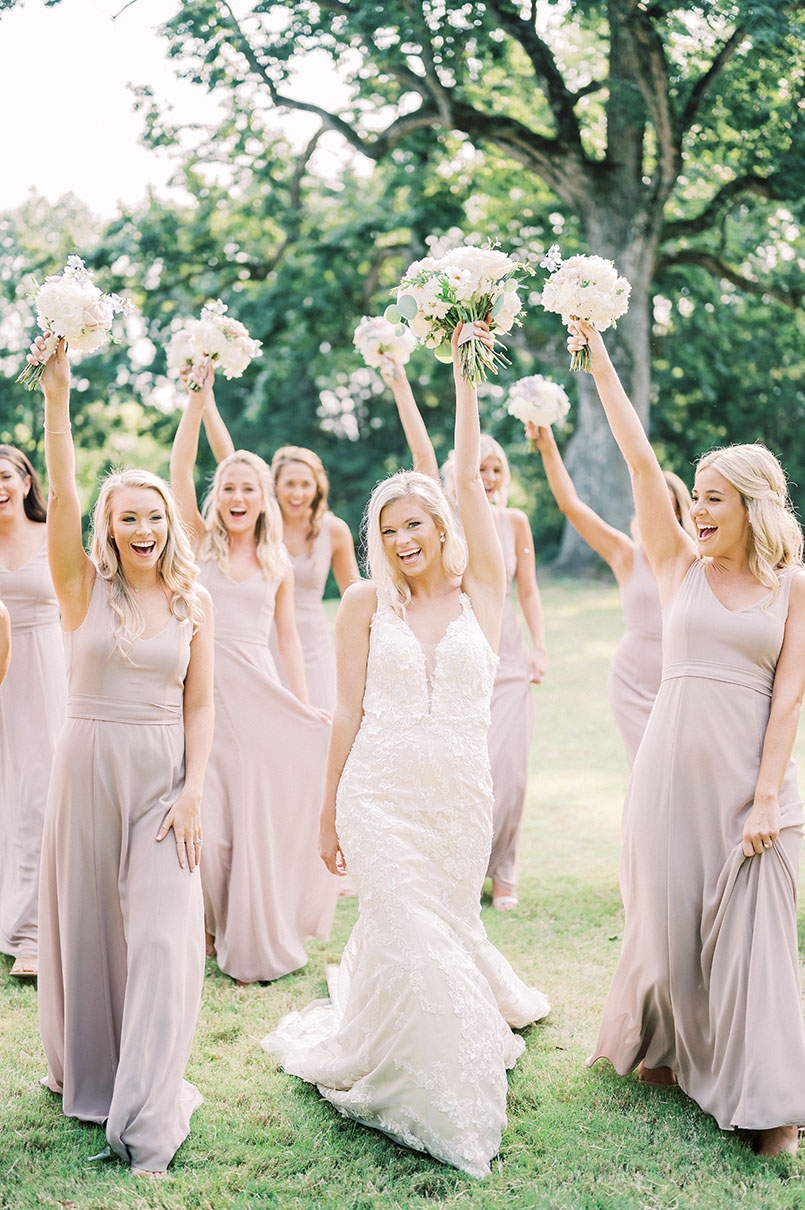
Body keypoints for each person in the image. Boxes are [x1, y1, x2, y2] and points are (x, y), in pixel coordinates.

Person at [262, 322, 550, 1178]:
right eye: (387, 528)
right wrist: (326, 814)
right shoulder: (360, 603)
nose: (400, 539)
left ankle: (401, 1039)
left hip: (458, 797)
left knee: (443, 934)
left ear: (443, 524)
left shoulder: (483, 591)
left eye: (414, 522)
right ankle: (433, 1096)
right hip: (378, 792)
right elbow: (345, 714)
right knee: (410, 936)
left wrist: (464, 372)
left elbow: (464, 474)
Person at [572, 321, 805, 1158]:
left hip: (755, 782)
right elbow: (640, 461)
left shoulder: (793, 587)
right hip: (668, 776)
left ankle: (768, 1103)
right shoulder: (675, 565)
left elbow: (787, 700)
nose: (695, 509)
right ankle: (665, 1046)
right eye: (694, 497)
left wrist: (768, 795)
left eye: (712, 497)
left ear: (750, 506)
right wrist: (596, 352)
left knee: (756, 941)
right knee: (668, 939)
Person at [32, 336, 215, 1178]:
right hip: (87, 760)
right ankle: (92, 1074)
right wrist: (58, 399)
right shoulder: (82, 586)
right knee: (89, 926)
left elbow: (200, 701)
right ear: (109, 528)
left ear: (169, 523)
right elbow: (61, 490)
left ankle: (146, 1108)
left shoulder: (190, 598)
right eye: (127, 515)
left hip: (162, 781)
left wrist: (193, 792)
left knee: (165, 938)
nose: (142, 526)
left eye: (154, 514)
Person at [170, 366, 337, 985]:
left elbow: (289, 641)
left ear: (261, 498)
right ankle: (209, 923)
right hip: (205, 694)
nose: (238, 498)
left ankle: (243, 929)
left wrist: (302, 704)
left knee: (253, 824)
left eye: (249, 489)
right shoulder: (194, 541)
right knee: (207, 828)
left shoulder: (277, 562)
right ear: (220, 496)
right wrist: (196, 400)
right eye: (230, 488)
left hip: (261, 697)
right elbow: (180, 471)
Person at [381, 356, 545, 910]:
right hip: (448, 672)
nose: (483, 478)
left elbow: (528, 592)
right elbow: (431, 460)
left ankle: (504, 869)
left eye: (496, 469)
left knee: (510, 775)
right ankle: (458, 872)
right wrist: (405, 379)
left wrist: (466, 376)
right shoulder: (436, 523)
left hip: (503, 658)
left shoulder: (498, 547)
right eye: (478, 470)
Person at [530, 421, 694, 765]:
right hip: (631, 681)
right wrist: (548, 447)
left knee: (682, 772)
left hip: (682, 680)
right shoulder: (625, 554)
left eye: (664, 505)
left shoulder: (696, 559)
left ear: (678, 510)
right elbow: (572, 506)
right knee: (646, 769)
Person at [195, 387, 360, 711]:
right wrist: (207, 401)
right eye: (289, 484)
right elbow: (229, 461)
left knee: (316, 725)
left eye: (305, 484)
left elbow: (353, 598)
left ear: (317, 487)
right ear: (274, 488)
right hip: (263, 642)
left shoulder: (335, 530)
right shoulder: (259, 527)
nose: (297, 493)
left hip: (314, 647)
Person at [0, 445, 66, 978]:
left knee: (41, 800)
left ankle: (35, 934)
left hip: (47, 674)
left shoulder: (53, 538)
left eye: (4, 475)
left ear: (25, 481)